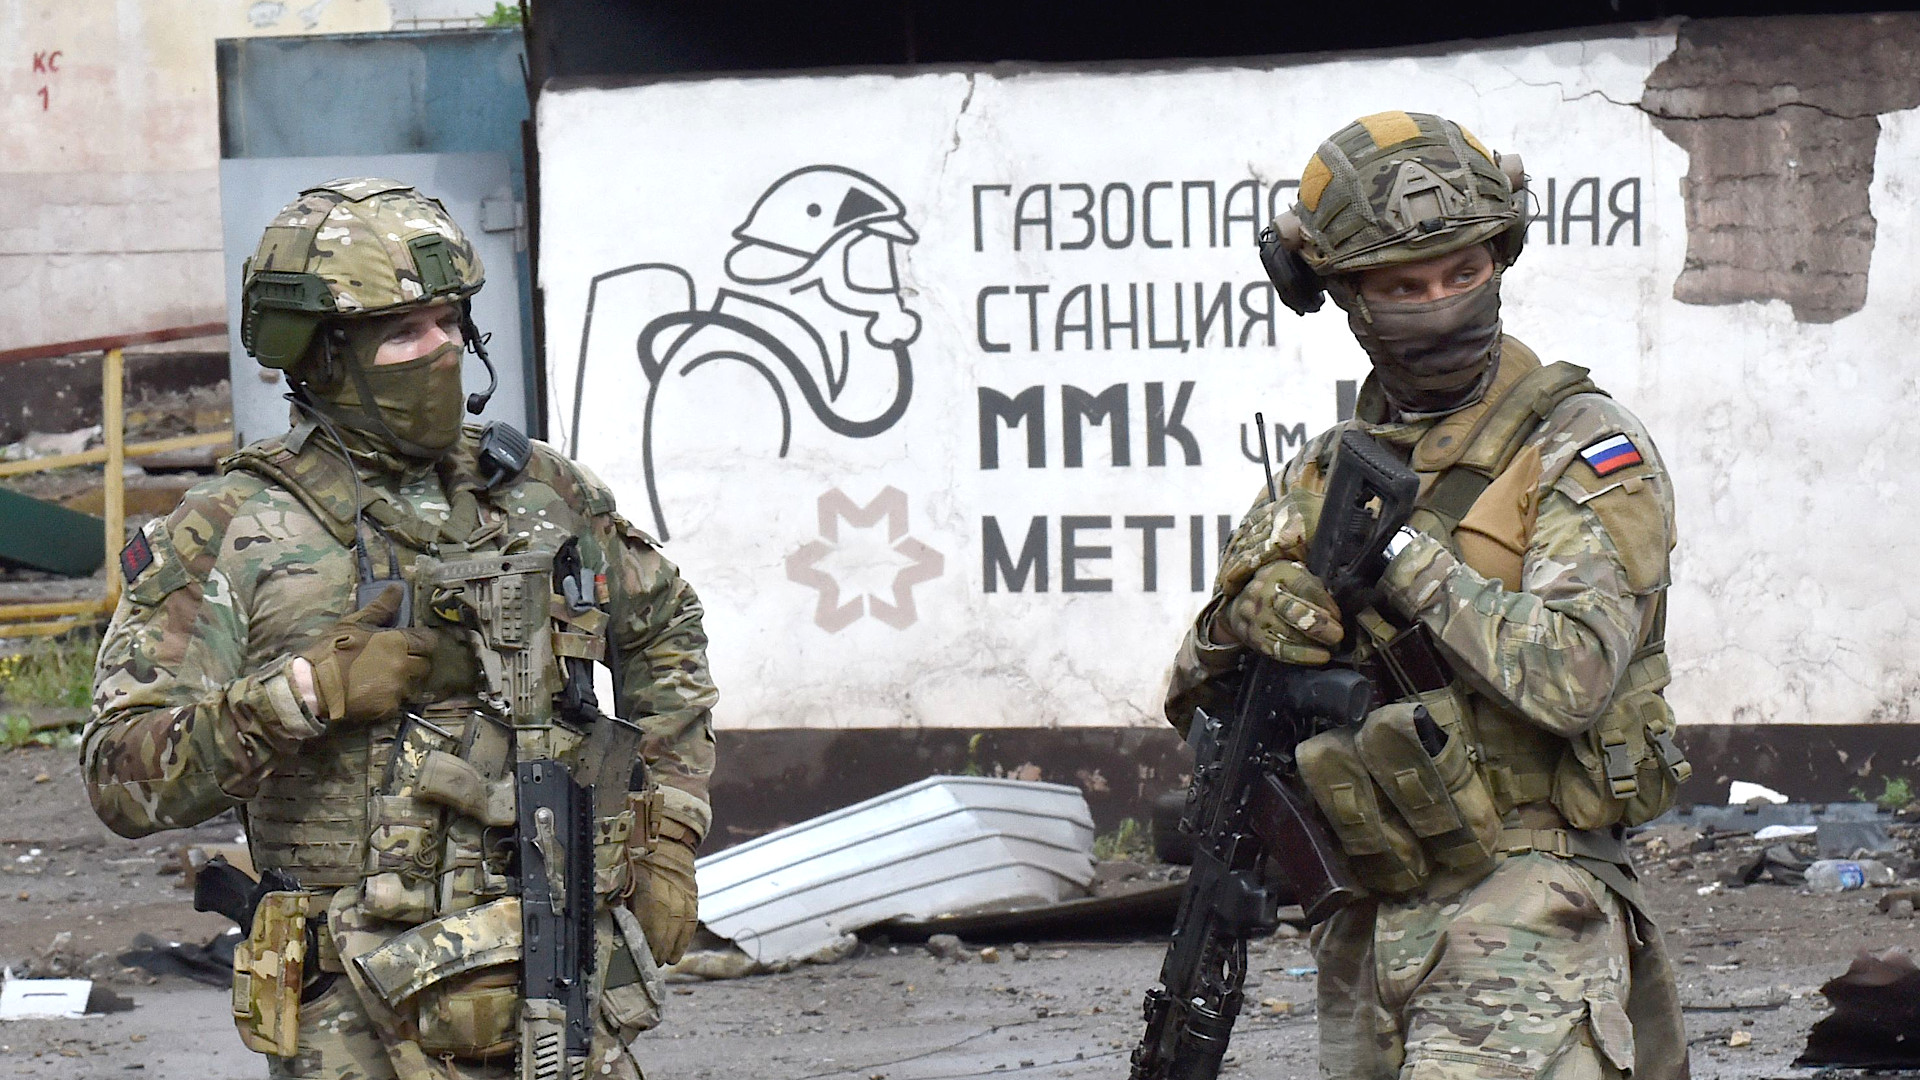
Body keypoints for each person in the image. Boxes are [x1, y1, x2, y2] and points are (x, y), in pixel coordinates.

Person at [82, 177, 716, 1079]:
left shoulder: (542, 493)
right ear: (321, 355)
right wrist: (301, 696)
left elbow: (664, 629)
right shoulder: (230, 532)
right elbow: (119, 777)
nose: (443, 350)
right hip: (359, 1013)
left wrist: (670, 832)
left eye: (452, 322)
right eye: (404, 332)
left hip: (561, 980)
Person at [1165, 113, 1689, 1080]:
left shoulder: (1583, 446)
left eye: (1461, 273)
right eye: (1403, 287)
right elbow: (1192, 693)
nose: (1440, 306)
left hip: (1527, 906)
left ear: (1502, 259)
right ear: (1342, 294)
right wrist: (1247, 615)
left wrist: (1400, 552)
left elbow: (1572, 675)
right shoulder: (1322, 469)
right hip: (1365, 917)